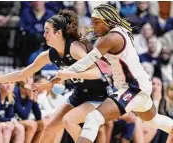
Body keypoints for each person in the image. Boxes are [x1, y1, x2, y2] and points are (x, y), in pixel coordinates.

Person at [54, 4, 173, 143]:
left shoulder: (112, 38)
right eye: (92, 22)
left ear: (108, 21)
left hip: (133, 87)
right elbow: (95, 50)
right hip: (137, 84)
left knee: (93, 118)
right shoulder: (115, 33)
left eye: (96, 22)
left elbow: (86, 61)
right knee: (155, 120)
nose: (93, 26)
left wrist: (66, 73)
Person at [0, 10, 112, 143]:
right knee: (49, 128)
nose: (44, 34)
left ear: (58, 33)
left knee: (69, 121)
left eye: (47, 31)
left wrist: (69, 74)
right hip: (80, 94)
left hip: (100, 96)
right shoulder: (50, 55)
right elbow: (22, 74)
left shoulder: (74, 48)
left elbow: (96, 73)